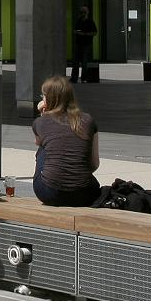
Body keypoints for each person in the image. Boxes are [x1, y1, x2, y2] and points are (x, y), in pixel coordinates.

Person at [32, 75, 100, 207]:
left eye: (43, 96)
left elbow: (41, 141)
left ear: (48, 99)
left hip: (49, 193)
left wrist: (42, 114)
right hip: (84, 194)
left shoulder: (40, 122)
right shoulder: (88, 120)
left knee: (43, 149)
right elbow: (94, 164)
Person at [70, 6, 97, 83]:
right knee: (75, 61)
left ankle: (84, 78)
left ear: (87, 13)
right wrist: (76, 32)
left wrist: (85, 34)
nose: (82, 14)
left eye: (84, 12)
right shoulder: (79, 21)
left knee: (84, 62)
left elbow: (95, 32)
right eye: (81, 12)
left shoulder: (90, 22)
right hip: (78, 43)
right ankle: (74, 78)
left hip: (86, 44)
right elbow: (75, 30)